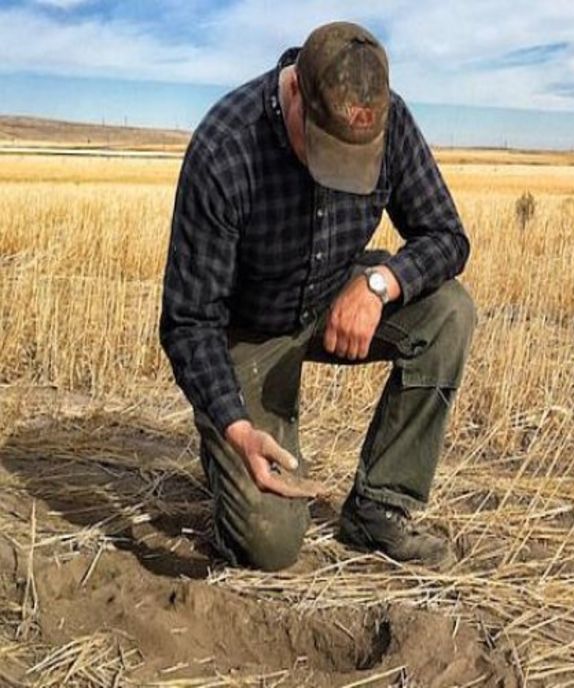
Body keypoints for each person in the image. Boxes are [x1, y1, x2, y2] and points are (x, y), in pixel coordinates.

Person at [159, 21, 475, 572]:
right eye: (328, 151)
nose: (341, 174)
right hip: (250, 333)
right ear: (296, 93)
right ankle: (225, 452)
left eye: (356, 159)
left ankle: (379, 509)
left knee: (450, 311)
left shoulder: (387, 118)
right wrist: (235, 425)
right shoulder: (225, 149)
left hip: (335, 292)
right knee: (270, 545)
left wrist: (378, 286)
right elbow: (189, 320)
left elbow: (446, 236)